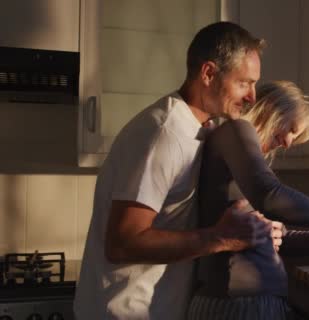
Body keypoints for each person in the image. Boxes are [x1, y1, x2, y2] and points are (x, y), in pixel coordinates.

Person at [74, 22, 284, 320]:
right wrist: (222, 237)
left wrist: (256, 228)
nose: (252, 96)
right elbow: (122, 242)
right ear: (209, 73)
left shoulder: (202, 128)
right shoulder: (164, 133)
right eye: (243, 83)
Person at [188, 81, 309, 320]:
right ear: (273, 110)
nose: (288, 143)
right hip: (236, 308)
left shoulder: (240, 168)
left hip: (249, 306)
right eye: (291, 128)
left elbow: (282, 240)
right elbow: (271, 194)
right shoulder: (235, 129)